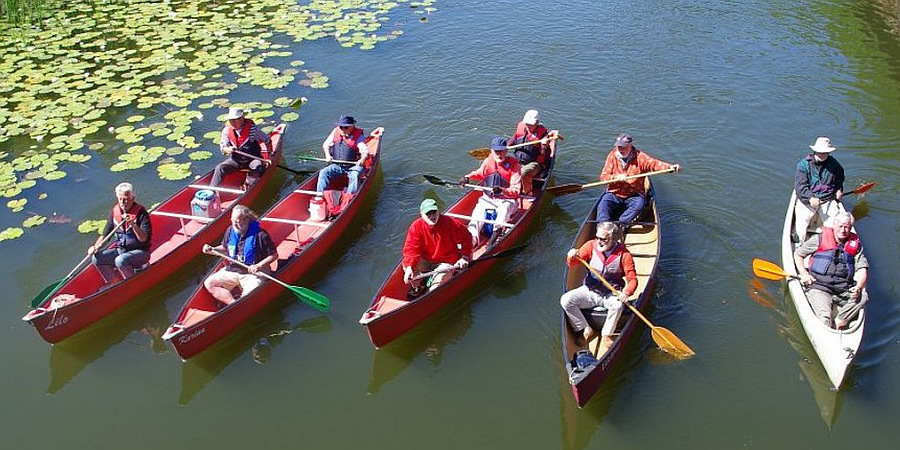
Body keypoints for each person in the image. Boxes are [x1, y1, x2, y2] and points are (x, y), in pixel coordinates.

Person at [560, 222, 637, 355]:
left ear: (613, 239)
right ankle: (585, 329)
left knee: (618, 305)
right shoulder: (590, 246)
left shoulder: (624, 255)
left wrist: (626, 292)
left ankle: (606, 334)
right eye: (597, 237)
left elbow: (633, 280)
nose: (599, 241)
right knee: (566, 300)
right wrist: (571, 257)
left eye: (603, 239)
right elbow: (573, 264)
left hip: (610, 294)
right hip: (589, 290)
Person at [793, 211, 868, 329]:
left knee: (863, 296)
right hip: (820, 287)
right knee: (824, 320)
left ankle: (840, 321)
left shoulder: (855, 245)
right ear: (834, 225)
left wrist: (858, 287)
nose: (843, 230)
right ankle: (828, 323)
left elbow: (862, 269)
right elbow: (798, 254)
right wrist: (804, 274)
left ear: (850, 228)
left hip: (842, 289)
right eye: (840, 226)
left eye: (847, 227)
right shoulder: (820, 239)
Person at [595, 133, 681, 223]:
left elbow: (654, 164)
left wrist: (670, 167)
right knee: (603, 204)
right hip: (614, 193)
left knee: (639, 205)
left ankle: (621, 223)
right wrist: (615, 177)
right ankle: (603, 226)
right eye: (618, 146)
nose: (620, 149)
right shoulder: (612, 156)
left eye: (623, 147)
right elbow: (603, 177)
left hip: (634, 194)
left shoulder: (640, 157)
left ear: (630, 146)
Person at [202, 205, 277, 305]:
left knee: (246, 298)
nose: (235, 225)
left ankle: (240, 305)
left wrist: (258, 265)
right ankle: (232, 304)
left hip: (254, 274)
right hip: (233, 270)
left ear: (246, 220)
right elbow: (225, 248)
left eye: (237, 222)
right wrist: (213, 249)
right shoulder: (230, 231)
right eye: (232, 221)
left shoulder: (261, 235)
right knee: (209, 283)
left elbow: (274, 255)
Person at [401, 198, 473, 297]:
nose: (432, 216)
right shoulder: (416, 227)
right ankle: (418, 286)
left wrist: (464, 257)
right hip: (427, 260)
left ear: (438, 211)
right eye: (428, 213)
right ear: (422, 214)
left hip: (446, 262)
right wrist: (409, 267)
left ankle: (430, 293)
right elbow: (411, 248)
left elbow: (467, 237)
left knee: (435, 287)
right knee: (406, 264)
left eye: (434, 212)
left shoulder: (451, 223)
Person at [458, 136, 523, 246]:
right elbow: (479, 173)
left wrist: (502, 190)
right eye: (496, 151)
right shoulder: (488, 161)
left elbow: (516, 191)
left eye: (501, 151)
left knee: (504, 209)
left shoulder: (515, 166)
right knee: (476, 216)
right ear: (492, 151)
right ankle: (470, 242)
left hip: (507, 200)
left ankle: (495, 234)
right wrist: (467, 177)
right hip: (487, 199)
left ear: (506, 151)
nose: (499, 154)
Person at [90, 182, 152, 281]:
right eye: (120, 199)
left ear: (133, 198)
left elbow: (144, 239)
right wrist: (95, 247)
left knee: (120, 260)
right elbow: (105, 234)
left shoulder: (141, 213)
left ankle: (132, 281)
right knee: (97, 258)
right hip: (122, 250)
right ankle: (114, 282)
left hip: (141, 252)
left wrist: (133, 225)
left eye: (126, 199)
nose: (123, 202)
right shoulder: (115, 212)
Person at [794, 136, 845, 242]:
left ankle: (831, 245)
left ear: (829, 152)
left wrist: (839, 190)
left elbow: (839, 180)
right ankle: (801, 244)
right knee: (802, 224)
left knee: (834, 225)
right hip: (807, 200)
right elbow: (800, 187)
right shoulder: (803, 165)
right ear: (815, 151)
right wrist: (810, 198)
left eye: (825, 152)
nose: (822, 154)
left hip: (827, 199)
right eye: (820, 152)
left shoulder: (835, 166)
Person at [211, 107, 272, 188]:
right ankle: (211, 190)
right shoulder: (226, 131)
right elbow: (223, 148)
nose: (232, 122)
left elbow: (267, 140)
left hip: (253, 159)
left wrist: (269, 157)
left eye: (235, 119)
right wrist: (228, 149)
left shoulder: (252, 130)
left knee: (258, 167)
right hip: (236, 160)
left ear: (242, 118)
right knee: (220, 168)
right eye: (231, 120)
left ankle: (248, 184)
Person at [316, 114, 369, 195]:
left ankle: (350, 196)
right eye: (341, 127)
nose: (343, 130)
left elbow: (365, 151)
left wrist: (362, 159)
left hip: (352, 166)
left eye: (346, 127)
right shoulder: (336, 131)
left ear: (352, 126)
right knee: (323, 172)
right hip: (337, 166)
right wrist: (327, 155)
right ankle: (319, 195)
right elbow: (325, 145)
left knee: (355, 175)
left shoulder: (359, 136)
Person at [508, 109, 554, 194]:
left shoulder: (543, 136)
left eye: (531, 125)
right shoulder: (522, 128)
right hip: (518, 160)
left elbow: (545, 156)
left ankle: (527, 191)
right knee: (503, 165)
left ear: (537, 123)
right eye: (527, 124)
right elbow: (515, 138)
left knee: (523, 172)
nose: (528, 126)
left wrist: (544, 146)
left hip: (534, 163)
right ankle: (508, 188)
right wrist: (506, 146)